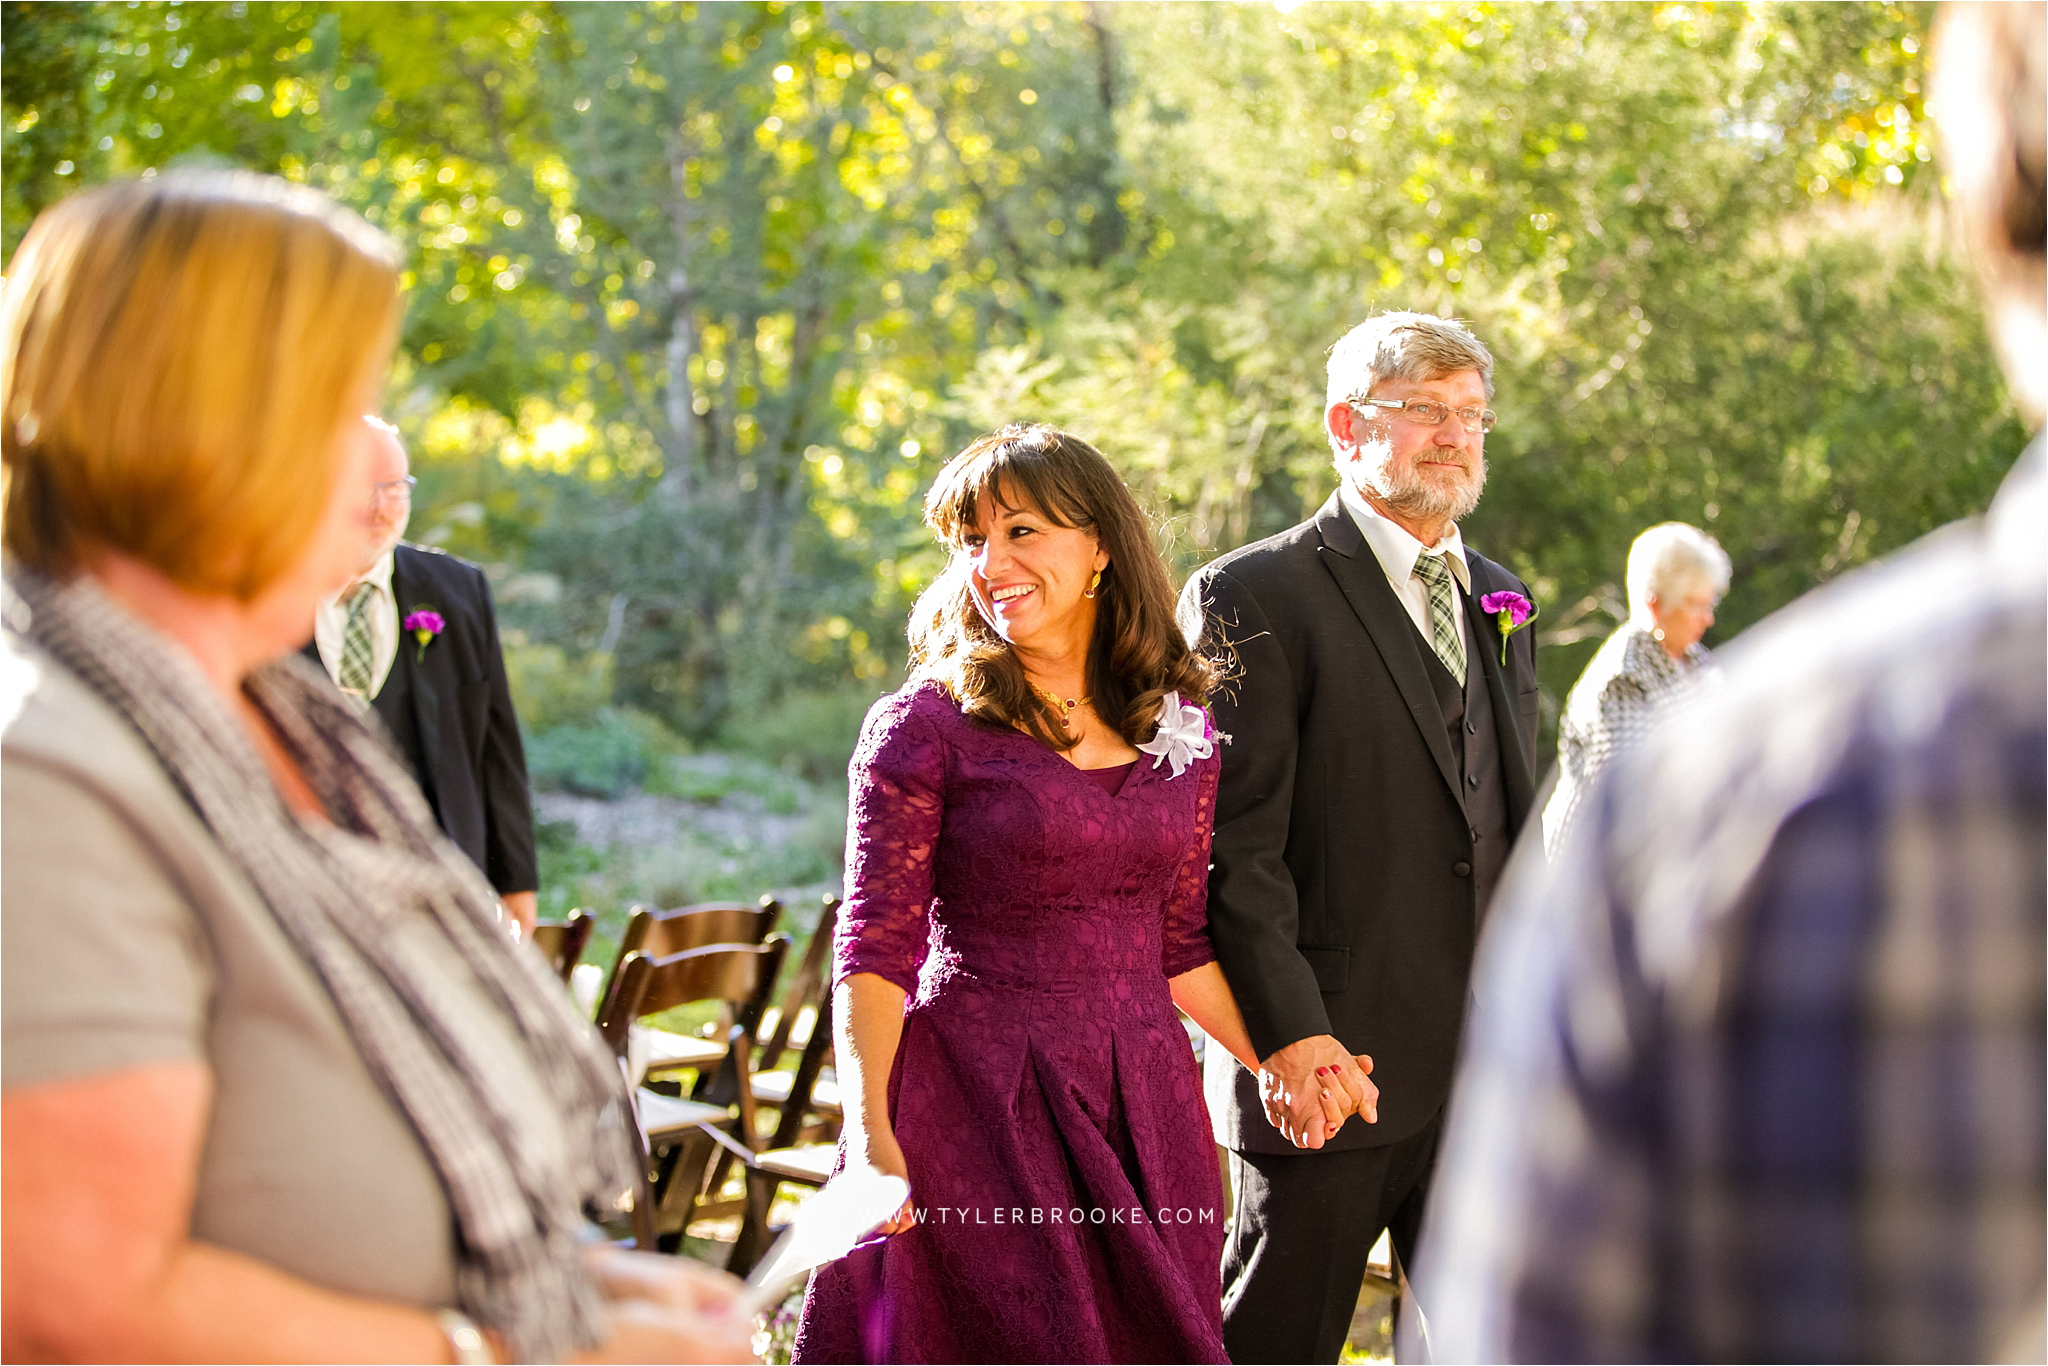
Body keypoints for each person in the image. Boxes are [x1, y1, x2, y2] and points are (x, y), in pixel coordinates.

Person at [0, 170, 754, 1364]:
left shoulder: (277, 717)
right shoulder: (41, 772)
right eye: (334, 406)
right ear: (200, 424)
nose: (370, 471)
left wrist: (595, 1298)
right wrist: (503, 1354)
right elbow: (74, 1305)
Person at [1416, 4, 2046, 1360]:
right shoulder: (1661, 720)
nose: (1709, 618)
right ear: (1666, 596)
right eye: (1698, 602)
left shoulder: (1751, 779)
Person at [791, 423, 1328, 1365]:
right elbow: (874, 951)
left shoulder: (1180, 729)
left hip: (1146, 1106)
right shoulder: (922, 730)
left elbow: (1177, 942)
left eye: (1021, 532)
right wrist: (872, 1141)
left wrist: (1276, 1059)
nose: (989, 563)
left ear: (1101, 549)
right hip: (977, 1105)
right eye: (970, 540)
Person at [1178, 312, 1540, 1364]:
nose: (1454, 435)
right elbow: (1229, 851)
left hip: (1480, 1069)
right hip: (1330, 1067)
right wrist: (1287, 1039)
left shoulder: (1499, 595)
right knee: (1274, 1344)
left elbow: (1506, 822)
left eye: (1469, 414)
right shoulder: (1254, 592)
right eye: (1423, 409)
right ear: (1345, 423)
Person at [308, 417, 540, 935]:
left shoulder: (457, 590)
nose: (382, 507)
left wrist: (516, 881)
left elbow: (496, 743)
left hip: (442, 871)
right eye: (364, 488)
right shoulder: (270, 589)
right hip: (310, 876)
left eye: (396, 488)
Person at [1540, 521, 1729, 854]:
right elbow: (1632, 800)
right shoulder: (1624, 678)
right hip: (1599, 871)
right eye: (1697, 605)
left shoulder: (1696, 661)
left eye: (1709, 603)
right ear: (1656, 606)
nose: (1708, 618)